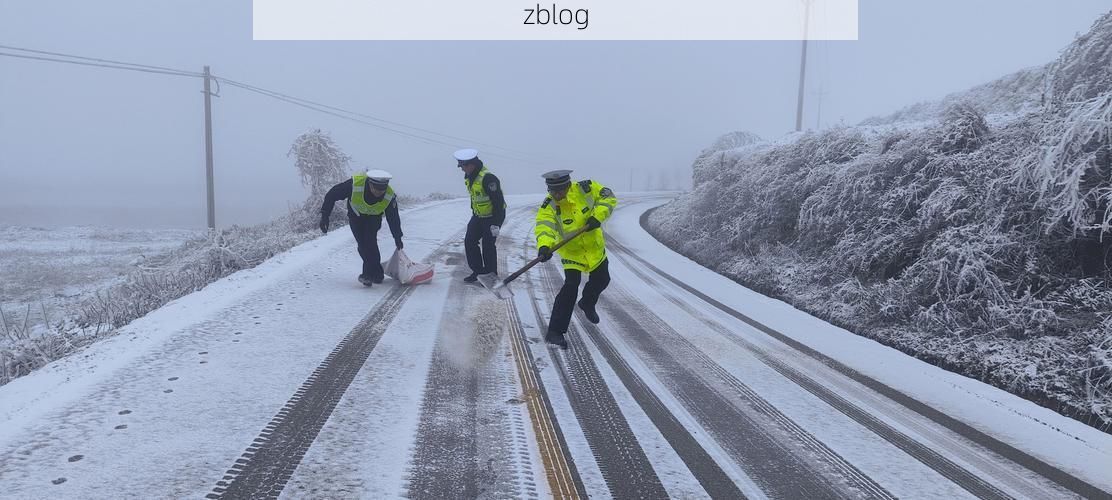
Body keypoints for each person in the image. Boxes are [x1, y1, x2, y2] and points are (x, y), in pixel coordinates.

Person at [534, 170, 617, 348]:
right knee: (570, 287)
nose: (556, 194)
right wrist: (544, 246)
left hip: (594, 248)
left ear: (568, 185)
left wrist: (598, 216)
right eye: (552, 190)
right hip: (572, 253)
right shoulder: (548, 206)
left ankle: (587, 302)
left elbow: (609, 198)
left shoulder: (587, 189)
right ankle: (554, 332)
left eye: (560, 190)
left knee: (603, 279)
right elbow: (544, 227)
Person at [320, 169, 404, 286]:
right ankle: (377, 273)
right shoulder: (354, 185)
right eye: (376, 189)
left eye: (382, 190)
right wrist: (325, 216)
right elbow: (332, 195)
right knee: (362, 244)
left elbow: (393, 218)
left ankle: (368, 275)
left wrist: (397, 237)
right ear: (369, 183)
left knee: (369, 242)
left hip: (374, 219)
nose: (379, 193)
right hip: (356, 217)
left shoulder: (389, 196)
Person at [455, 148, 507, 282]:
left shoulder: (488, 178)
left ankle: (491, 274)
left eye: (463, 166)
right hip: (478, 216)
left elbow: (498, 202)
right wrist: (475, 212)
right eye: (460, 166)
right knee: (469, 241)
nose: (462, 169)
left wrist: (496, 223)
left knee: (488, 245)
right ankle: (478, 272)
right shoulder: (470, 176)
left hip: (493, 216)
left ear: (472, 164)